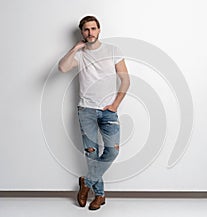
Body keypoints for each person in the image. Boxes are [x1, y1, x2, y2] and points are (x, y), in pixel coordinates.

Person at [58, 15, 130, 210]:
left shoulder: (113, 51)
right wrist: (74, 49)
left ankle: (86, 183)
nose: (90, 33)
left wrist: (115, 104)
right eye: (86, 30)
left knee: (112, 151)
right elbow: (62, 68)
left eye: (93, 29)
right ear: (82, 32)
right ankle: (100, 196)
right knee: (92, 154)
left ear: (99, 30)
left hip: (108, 111)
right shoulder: (79, 55)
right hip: (86, 110)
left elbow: (125, 80)